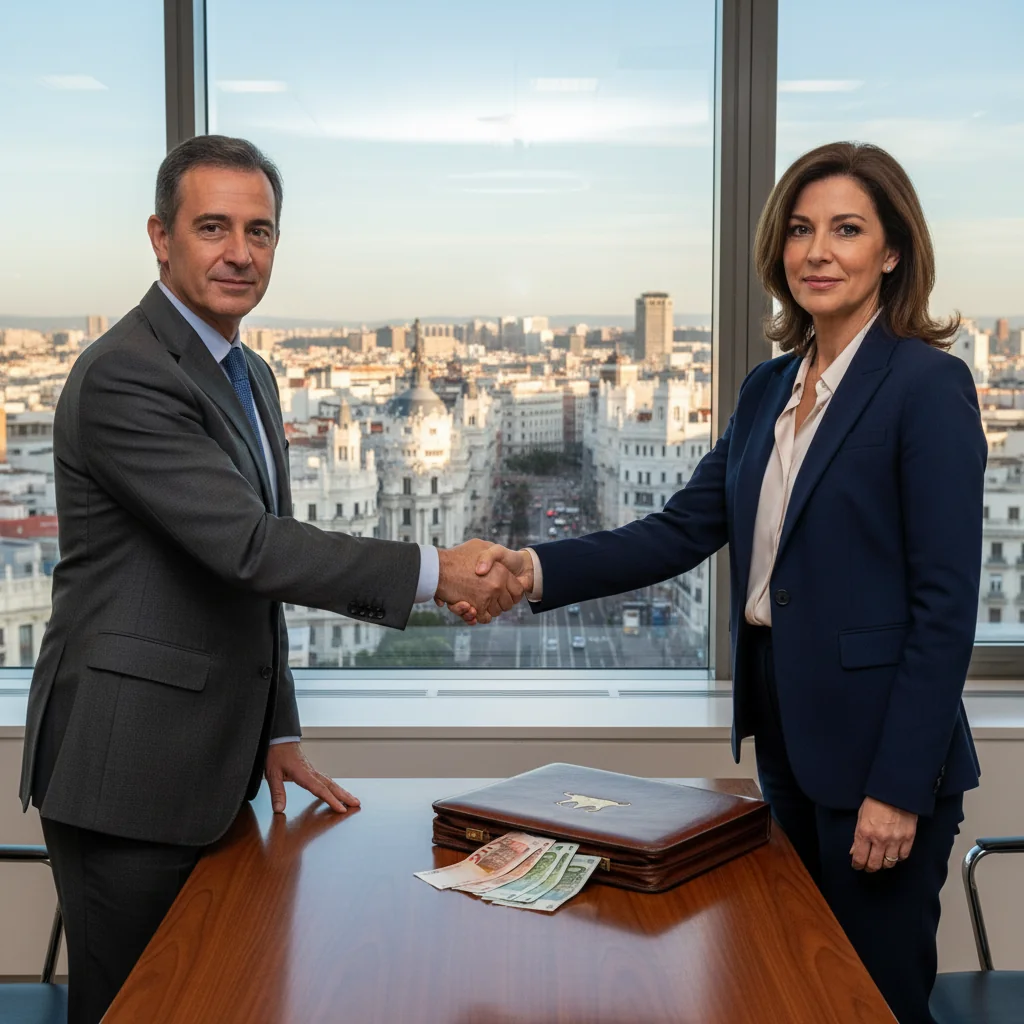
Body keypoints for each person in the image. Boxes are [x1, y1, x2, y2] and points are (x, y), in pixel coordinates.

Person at [463, 142, 985, 1024]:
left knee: (872, 997)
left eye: (847, 230)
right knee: (788, 984)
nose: (817, 252)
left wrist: (900, 787)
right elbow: (679, 530)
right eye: (800, 230)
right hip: (784, 731)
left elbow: (945, 609)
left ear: (893, 251)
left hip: (879, 752)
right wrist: (533, 567)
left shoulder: (927, 385)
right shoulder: (769, 387)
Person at [19, 134, 521, 1024]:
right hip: (128, 768)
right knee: (137, 1007)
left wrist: (276, 727)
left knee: (217, 998)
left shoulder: (249, 372)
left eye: (259, 231)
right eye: (212, 227)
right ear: (160, 238)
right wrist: (436, 570)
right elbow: (251, 548)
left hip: (210, 763)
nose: (240, 253)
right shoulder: (127, 373)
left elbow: (247, 580)